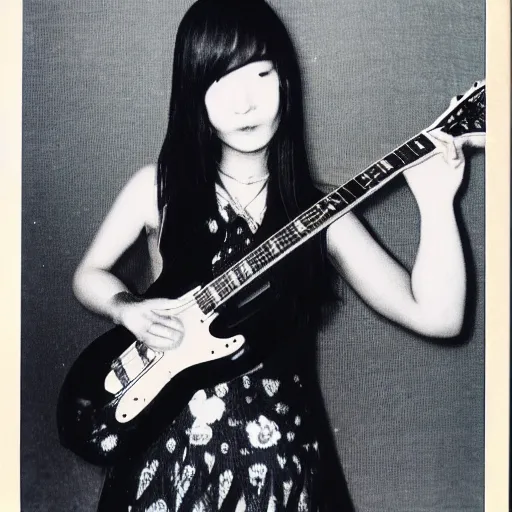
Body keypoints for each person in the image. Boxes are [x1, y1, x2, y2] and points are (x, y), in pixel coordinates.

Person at [70, 0, 483, 510]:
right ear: (193, 96)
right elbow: (89, 274)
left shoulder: (322, 213)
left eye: (261, 73)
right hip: (166, 459)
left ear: (286, 81)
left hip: (283, 472)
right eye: (220, 83)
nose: (244, 103)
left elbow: (439, 317)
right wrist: (125, 308)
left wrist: (437, 203)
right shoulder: (157, 189)